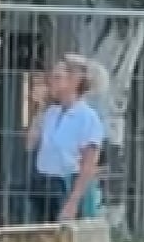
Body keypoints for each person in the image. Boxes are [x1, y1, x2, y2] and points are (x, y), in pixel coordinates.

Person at [25, 55, 105, 223]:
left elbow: (89, 164)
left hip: (68, 185)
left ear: (75, 81)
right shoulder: (50, 113)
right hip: (43, 183)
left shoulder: (87, 117)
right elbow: (30, 144)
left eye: (57, 77)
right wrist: (40, 107)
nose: (51, 82)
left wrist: (73, 202)